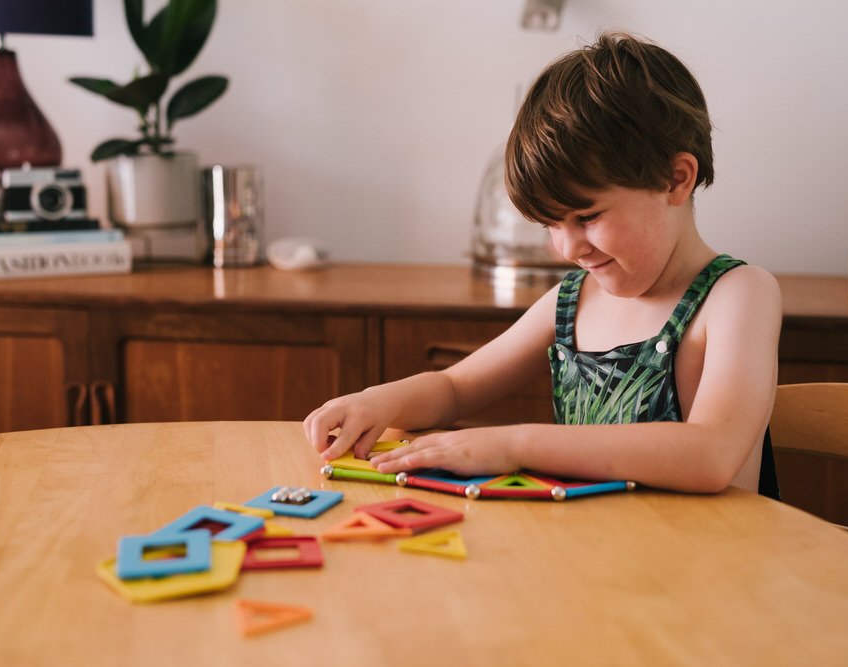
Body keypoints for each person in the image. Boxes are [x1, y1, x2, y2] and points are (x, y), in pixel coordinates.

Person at [303, 32, 781, 497]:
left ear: (675, 179)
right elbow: (454, 387)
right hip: (594, 547)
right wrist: (378, 401)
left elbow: (711, 453)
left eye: (587, 217)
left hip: (712, 552)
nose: (568, 249)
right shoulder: (574, 301)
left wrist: (516, 444)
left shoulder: (739, 295)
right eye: (551, 224)